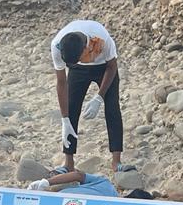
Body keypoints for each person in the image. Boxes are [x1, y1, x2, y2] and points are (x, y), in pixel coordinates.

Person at [50, 19, 131, 176]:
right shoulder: (57, 45)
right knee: (72, 108)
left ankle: (116, 161)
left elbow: (112, 66)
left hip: (104, 67)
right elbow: (61, 83)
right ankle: (68, 163)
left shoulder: (101, 37)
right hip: (78, 70)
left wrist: (99, 97)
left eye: (80, 57)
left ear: (85, 48)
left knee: (112, 108)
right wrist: (65, 119)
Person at [27, 167, 118, 198]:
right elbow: (78, 175)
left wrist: (47, 182)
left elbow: (78, 175)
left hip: (60, 201)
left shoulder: (106, 183)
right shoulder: (106, 186)